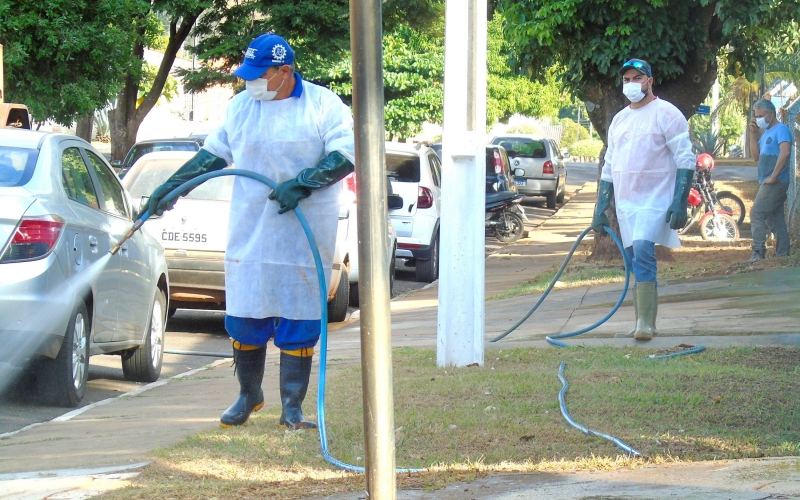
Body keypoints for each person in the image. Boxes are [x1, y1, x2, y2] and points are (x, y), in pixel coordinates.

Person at [147, 33, 355, 429]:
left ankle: (292, 408)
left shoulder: (322, 105)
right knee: (245, 312)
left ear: (285, 72)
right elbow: (212, 156)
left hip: (304, 228)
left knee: (299, 317)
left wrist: (304, 182)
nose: (251, 83)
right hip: (251, 227)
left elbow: (346, 154)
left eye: (260, 75)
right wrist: (171, 187)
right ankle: (248, 393)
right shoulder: (242, 107)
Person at [592, 58, 696, 340]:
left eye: (637, 78)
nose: (631, 84)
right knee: (632, 257)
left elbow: (685, 158)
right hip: (627, 201)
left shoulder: (666, 113)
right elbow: (609, 164)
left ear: (650, 81)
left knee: (642, 249)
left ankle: (646, 324)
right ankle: (641, 319)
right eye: (626, 79)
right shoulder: (619, 119)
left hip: (656, 197)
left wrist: (680, 200)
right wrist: (601, 206)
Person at [747, 98, 792, 262]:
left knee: (756, 214)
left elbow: (785, 152)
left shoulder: (782, 130)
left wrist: (773, 176)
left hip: (775, 182)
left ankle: (758, 251)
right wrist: (752, 134)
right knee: (775, 218)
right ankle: (783, 253)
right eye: (756, 115)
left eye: (760, 115)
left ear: (771, 113)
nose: (758, 118)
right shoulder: (766, 132)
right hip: (766, 181)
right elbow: (755, 157)